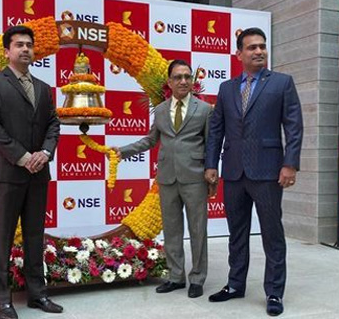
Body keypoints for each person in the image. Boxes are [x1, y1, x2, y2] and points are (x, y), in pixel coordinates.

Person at [204, 27, 303, 316]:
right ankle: (235, 284)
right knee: (237, 233)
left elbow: (294, 127)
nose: (259, 51)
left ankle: (274, 293)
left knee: (272, 235)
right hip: (234, 172)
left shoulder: (282, 83)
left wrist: (290, 163)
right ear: (239, 54)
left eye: (262, 46)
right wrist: (212, 164)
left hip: (269, 172)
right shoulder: (227, 88)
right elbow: (217, 130)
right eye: (252, 47)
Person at [0, 25, 62, 319]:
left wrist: (45, 153)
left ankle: (37, 294)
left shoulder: (43, 87)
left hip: (39, 174)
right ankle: (3, 300)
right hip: (7, 173)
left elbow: (53, 124)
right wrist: (24, 157)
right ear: (7, 51)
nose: (25, 49)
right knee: (3, 237)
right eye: (19, 45)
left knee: (35, 236)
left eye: (29, 45)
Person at [114, 60, 213, 298]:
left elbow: (212, 144)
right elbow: (149, 140)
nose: (183, 81)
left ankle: (197, 278)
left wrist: (212, 174)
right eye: (178, 77)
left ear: (192, 81)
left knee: (198, 229)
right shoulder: (160, 110)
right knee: (171, 229)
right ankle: (176, 277)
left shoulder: (205, 109)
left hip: (195, 177)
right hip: (167, 178)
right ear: (169, 82)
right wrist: (123, 151)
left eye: (187, 77)